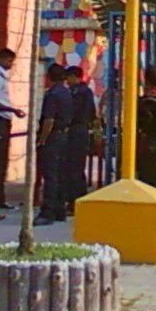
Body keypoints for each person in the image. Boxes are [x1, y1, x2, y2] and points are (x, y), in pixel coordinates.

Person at [0, 48, 25, 209]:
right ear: (2, 59)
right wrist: (13, 110)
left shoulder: (2, 76)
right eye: (9, 61)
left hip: (4, 120)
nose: (11, 64)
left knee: (1, 161)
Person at [34, 64, 74, 226]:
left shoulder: (52, 95)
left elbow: (49, 120)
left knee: (50, 174)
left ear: (49, 77)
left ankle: (48, 211)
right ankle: (60, 209)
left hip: (53, 137)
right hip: (64, 136)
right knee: (60, 174)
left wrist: (42, 139)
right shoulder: (67, 93)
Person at [64, 65, 98, 207]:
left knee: (74, 167)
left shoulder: (81, 93)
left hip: (77, 131)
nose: (67, 81)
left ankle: (75, 199)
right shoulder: (84, 92)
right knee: (74, 167)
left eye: (68, 78)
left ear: (74, 77)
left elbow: (78, 112)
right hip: (79, 130)